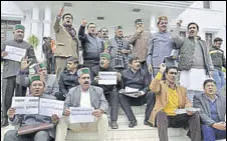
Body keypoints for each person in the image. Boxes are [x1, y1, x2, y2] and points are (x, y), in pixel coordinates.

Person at [148, 63, 201, 141]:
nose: (173, 75)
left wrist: (188, 108)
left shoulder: (182, 89)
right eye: (171, 73)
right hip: (165, 118)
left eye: (175, 73)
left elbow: (187, 102)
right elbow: (153, 88)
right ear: (166, 74)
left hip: (177, 117)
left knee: (195, 114)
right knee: (160, 113)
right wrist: (160, 72)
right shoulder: (161, 85)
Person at [55, 68, 108, 141]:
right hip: (76, 123)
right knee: (62, 119)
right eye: (84, 78)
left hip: (92, 121)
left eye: (88, 78)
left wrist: (100, 110)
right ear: (79, 80)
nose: (86, 80)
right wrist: (66, 111)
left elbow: (104, 102)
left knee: (104, 117)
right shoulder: (72, 91)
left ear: (90, 80)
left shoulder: (98, 90)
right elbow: (65, 104)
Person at [1, 24, 37, 127]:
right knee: (6, 98)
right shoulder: (5, 44)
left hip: (22, 76)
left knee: (20, 98)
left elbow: (33, 59)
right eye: (18, 32)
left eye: (22, 32)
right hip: (8, 75)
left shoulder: (28, 46)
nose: (20, 34)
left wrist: (30, 62)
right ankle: (4, 118)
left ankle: (19, 118)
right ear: (14, 33)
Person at [4, 75, 59, 141]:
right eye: (34, 85)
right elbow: (15, 122)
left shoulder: (52, 100)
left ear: (44, 88)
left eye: (40, 85)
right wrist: (11, 117)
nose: (37, 87)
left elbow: (56, 121)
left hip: (43, 131)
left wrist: (54, 120)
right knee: (9, 134)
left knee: (41, 135)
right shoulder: (24, 100)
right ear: (30, 88)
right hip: (26, 131)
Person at [172, 22, 214, 103]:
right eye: (190, 28)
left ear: (197, 30)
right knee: (187, 91)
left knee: (201, 92)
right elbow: (174, 37)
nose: (191, 29)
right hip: (187, 70)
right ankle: (189, 110)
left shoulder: (203, 43)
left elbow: (207, 56)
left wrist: (211, 69)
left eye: (193, 28)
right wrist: (178, 26)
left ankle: (199, 111)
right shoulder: (183, 40)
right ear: (187, 31)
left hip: (201, 70)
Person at [91, 52, 121, 129]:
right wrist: (94, 81)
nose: (102, 61)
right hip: (98, 92)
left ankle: (113, 121)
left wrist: (119, 80)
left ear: (109, 61)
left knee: (115, 94)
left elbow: (120, 87)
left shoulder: (114, 71)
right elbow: (89, 85)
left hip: (109, 91)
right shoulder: (94, 69)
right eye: (101, 59)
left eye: (104, 59)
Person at [119, 56, 149, 128]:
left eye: (138, 62)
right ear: (130, 65)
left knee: (151, 94)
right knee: (120, 95)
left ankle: (148, 119)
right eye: (135, 62)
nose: (138, 64)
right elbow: (121, 87)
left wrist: (142, 92)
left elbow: (147, 86)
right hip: (129, 97)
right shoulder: (124, 73)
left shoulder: (144, 72)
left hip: (140, 97)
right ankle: (132, 120)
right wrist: (122, 90)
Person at [53, 7, 80, 79]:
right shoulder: (59, 28)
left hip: (72, 56)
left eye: (70, 18)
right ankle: (58, 89)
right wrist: (58, 17)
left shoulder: (74, 31)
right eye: (66, 18)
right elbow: (55, 25)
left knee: (72, 75)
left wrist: (77, 57)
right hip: (62, 55)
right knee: (60, 74)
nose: (68, 19)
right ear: (63, 20)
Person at [128, 18, 150, 83]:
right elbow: (129, 41)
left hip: (146, 60)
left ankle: (146, 89)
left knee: (146, 76)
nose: (140, 25)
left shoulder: (148, 34)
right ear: (136, 26)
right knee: (138, 76)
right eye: (138, 24)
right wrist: (137, 32)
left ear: (143, 25)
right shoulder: (134, 34)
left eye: (141, 24)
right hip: (137, 60)